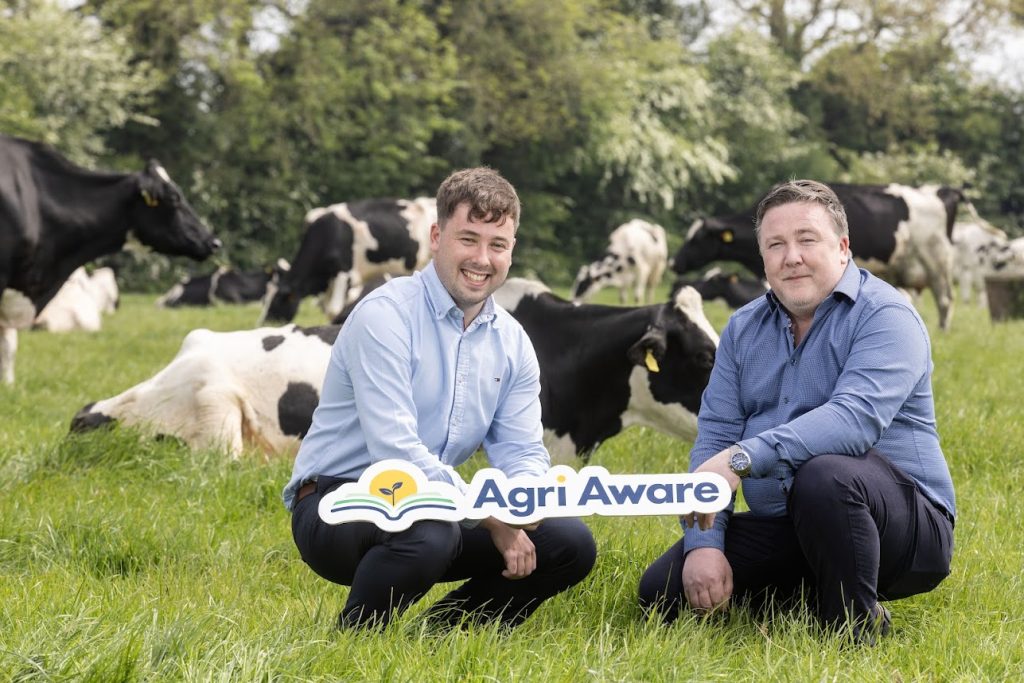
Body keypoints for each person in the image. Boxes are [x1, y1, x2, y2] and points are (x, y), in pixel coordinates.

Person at [638, 179, 955, 643]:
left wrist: (741, 459)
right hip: (790, 522)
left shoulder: (887, 315)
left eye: (807, 240)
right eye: (776, 245)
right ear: (762, 257)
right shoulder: (743, 329)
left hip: (902, 531)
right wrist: (705, 543)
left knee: (824, 474)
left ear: (843, 248)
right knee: (662, 592)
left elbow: (853, 421)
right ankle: (812, 591)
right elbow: (715, 436)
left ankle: (852, 625)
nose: (792, 257)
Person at [284, 167, 596, 630]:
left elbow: (523, 450)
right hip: (336, 503)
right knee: (430, 528)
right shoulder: (385, 316)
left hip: (434, 508)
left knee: (570, 543)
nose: (483, 259)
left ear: (512, 250)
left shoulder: (512, 341)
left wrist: (524, 506)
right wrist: (492, 518)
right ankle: (352, 641)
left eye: (498, 245)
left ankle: (442, 637)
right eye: (468, 239)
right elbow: (399, 455)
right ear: (436, 236)